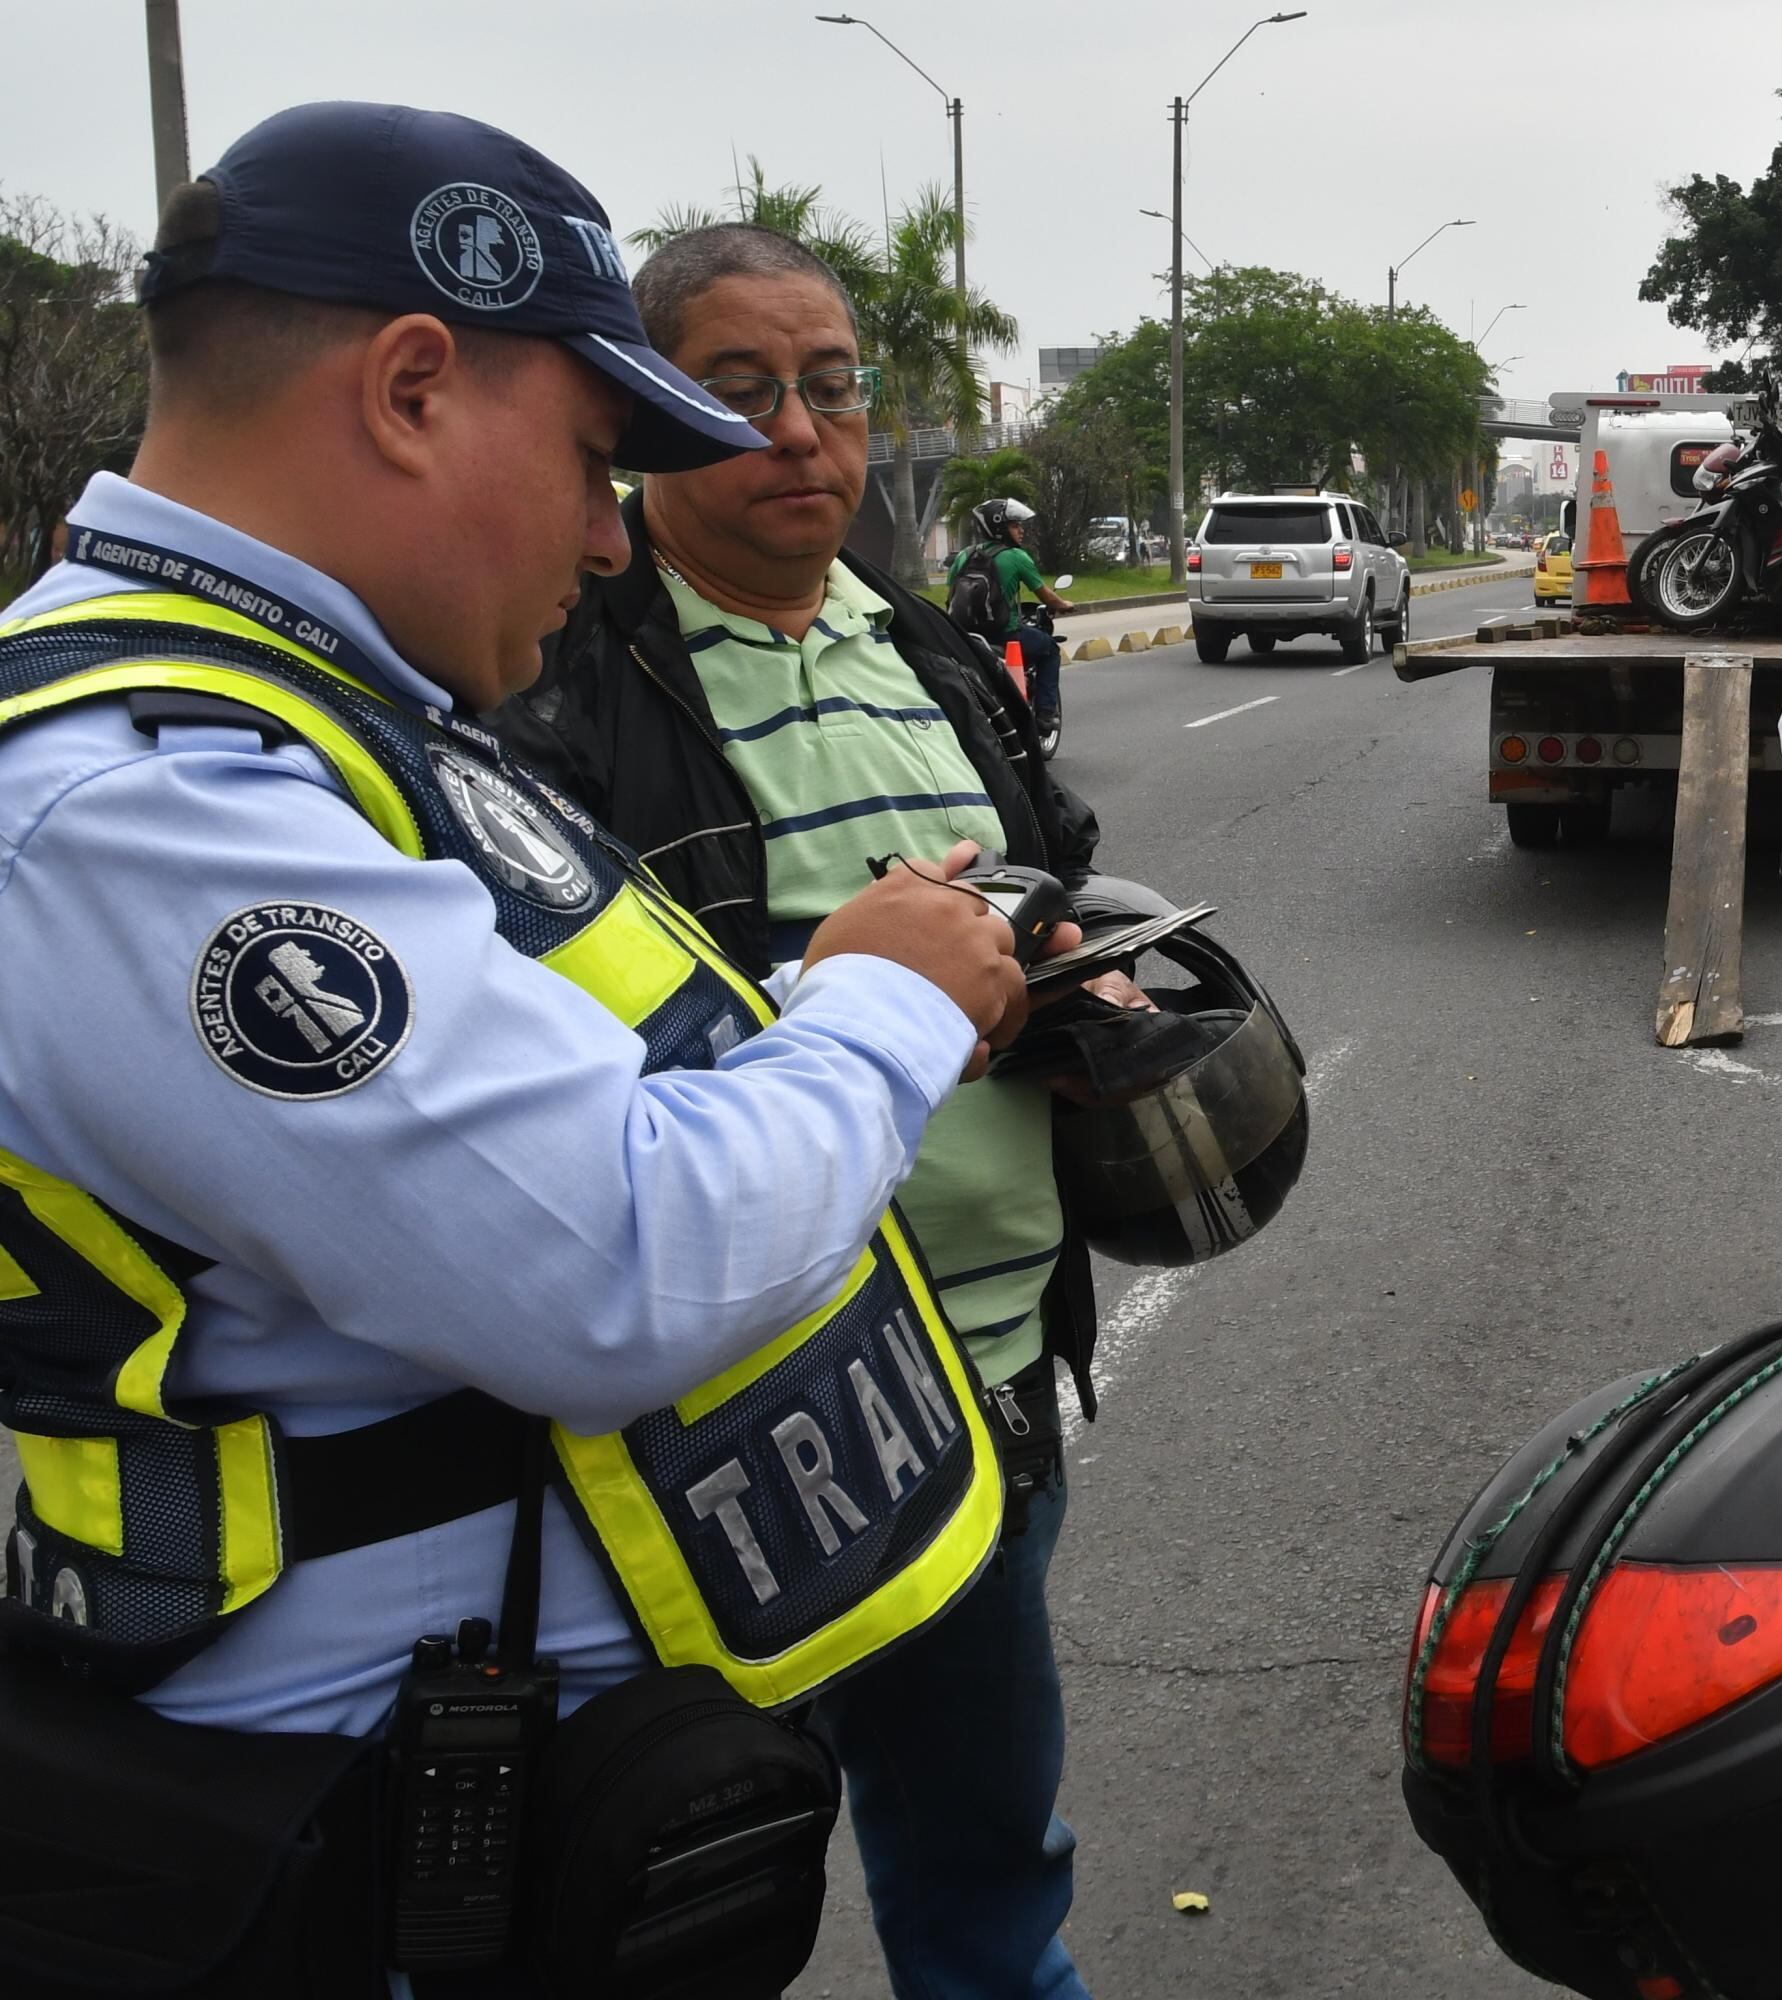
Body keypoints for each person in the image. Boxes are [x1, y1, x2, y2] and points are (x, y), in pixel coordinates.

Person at [0, 102, 1055, 1986]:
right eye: (589, 460)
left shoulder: (321, 712)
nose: (601, 531)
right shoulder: (146, 799)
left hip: (499, 1814)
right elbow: (613, 1258)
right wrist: (884, 997)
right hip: (341, 1850)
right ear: (411, 387)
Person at [498, 222, 1107, 2000]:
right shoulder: (562, 672)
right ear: (649, 418)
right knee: (672, 1890)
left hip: (986, 1388)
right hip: (722, 1423)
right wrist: (869, 996)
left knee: (992, 1868)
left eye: (828, 392)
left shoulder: (930, 650)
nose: (797, 439)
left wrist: (1084, 990)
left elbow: (1055, 878)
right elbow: (538, 1046)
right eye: (738, 394)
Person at [953, 496, 1070, 751]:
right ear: (1000, 528)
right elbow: (1044, 594)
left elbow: (950, 597)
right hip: (1007, 637)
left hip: (965, 638)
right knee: (1050, 649)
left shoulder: (963, 556)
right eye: (1015, 525)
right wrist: (1064, 605)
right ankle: (1045, 715)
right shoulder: (1017, 557)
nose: (1021, 529)